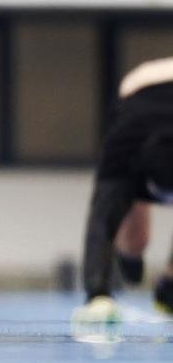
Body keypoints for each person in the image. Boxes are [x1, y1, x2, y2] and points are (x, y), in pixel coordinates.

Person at [77, 57, 173, 321]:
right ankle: (132, 261)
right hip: (139, 96)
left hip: (144, 91)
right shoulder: (125, 158)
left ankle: (161, 280)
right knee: (133, 241)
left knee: (132, 239)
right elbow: (102, 219)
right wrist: (98, 291)